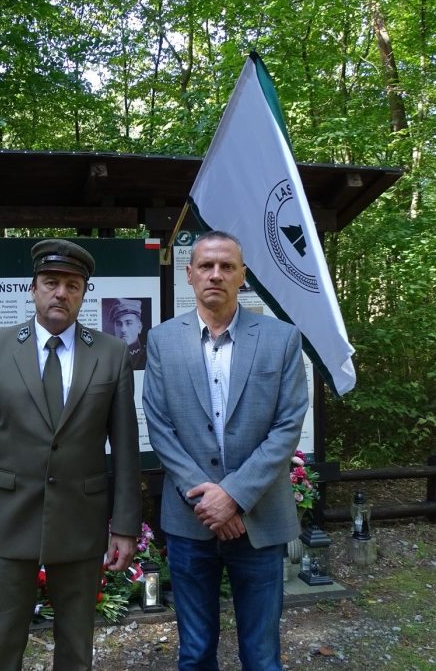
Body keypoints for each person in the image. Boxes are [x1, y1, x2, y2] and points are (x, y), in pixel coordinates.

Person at [0, 239, 142, 671]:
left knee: (76, 646)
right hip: (9, 520)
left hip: (81, 518)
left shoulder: (111, 354)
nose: (61, 292)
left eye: (73, 285)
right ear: (33, 288)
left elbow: (126, 447)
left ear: (84, 293)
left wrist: (126, 526)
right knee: (2, 643)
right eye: (51, 282)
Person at [143, 230, 308, 671]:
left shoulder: (282, 339)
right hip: (189, 522)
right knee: (195, 653)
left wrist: (232, 496)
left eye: (226, 266)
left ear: (242, 276)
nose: (215, 274)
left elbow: (287, 425)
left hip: (259, 520)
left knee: (262, 654)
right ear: (189, 274)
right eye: (206, 266)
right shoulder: (162, 340)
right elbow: (159, 426)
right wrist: (207, 497)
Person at [110, 298, 147, 370]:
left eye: (129, 323)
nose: (123, 329)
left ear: (139, 327)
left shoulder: (147, 356)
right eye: (118, 324)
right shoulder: (108, 356)